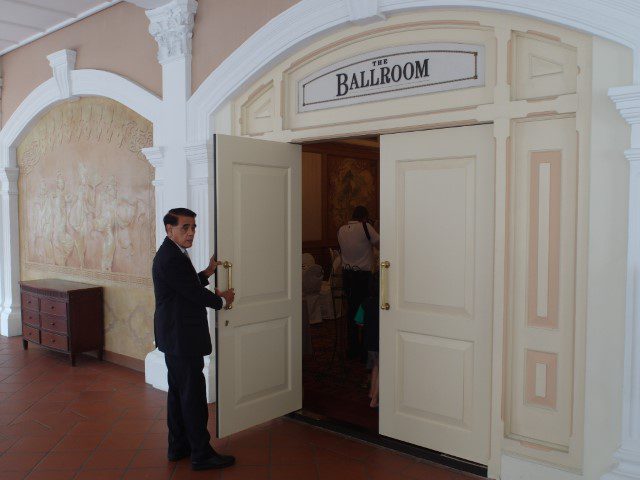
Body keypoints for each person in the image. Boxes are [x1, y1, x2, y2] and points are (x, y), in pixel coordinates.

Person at [152, 208, 236, 471]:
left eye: (193, 227)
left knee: (179, 393)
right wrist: (222, 301)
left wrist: (208, 272)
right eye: (185, 227)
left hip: (175, 336)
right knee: (193, 397)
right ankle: (201, 454)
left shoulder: (172, 252)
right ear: (169, 229)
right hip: (181, 337)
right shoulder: (171, 257)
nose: (191, 232)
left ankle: (179, 447)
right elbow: (192, 293)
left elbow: (185, 285)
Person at [337, 205, 379, 359]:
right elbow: (380, 244)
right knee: (365, 312)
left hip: (347, 276)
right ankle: (365, 348)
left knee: (351, 312)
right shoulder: (366, 227)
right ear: (364, 217)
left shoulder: (341, 230)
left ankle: (352, 346)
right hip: (363, 277)